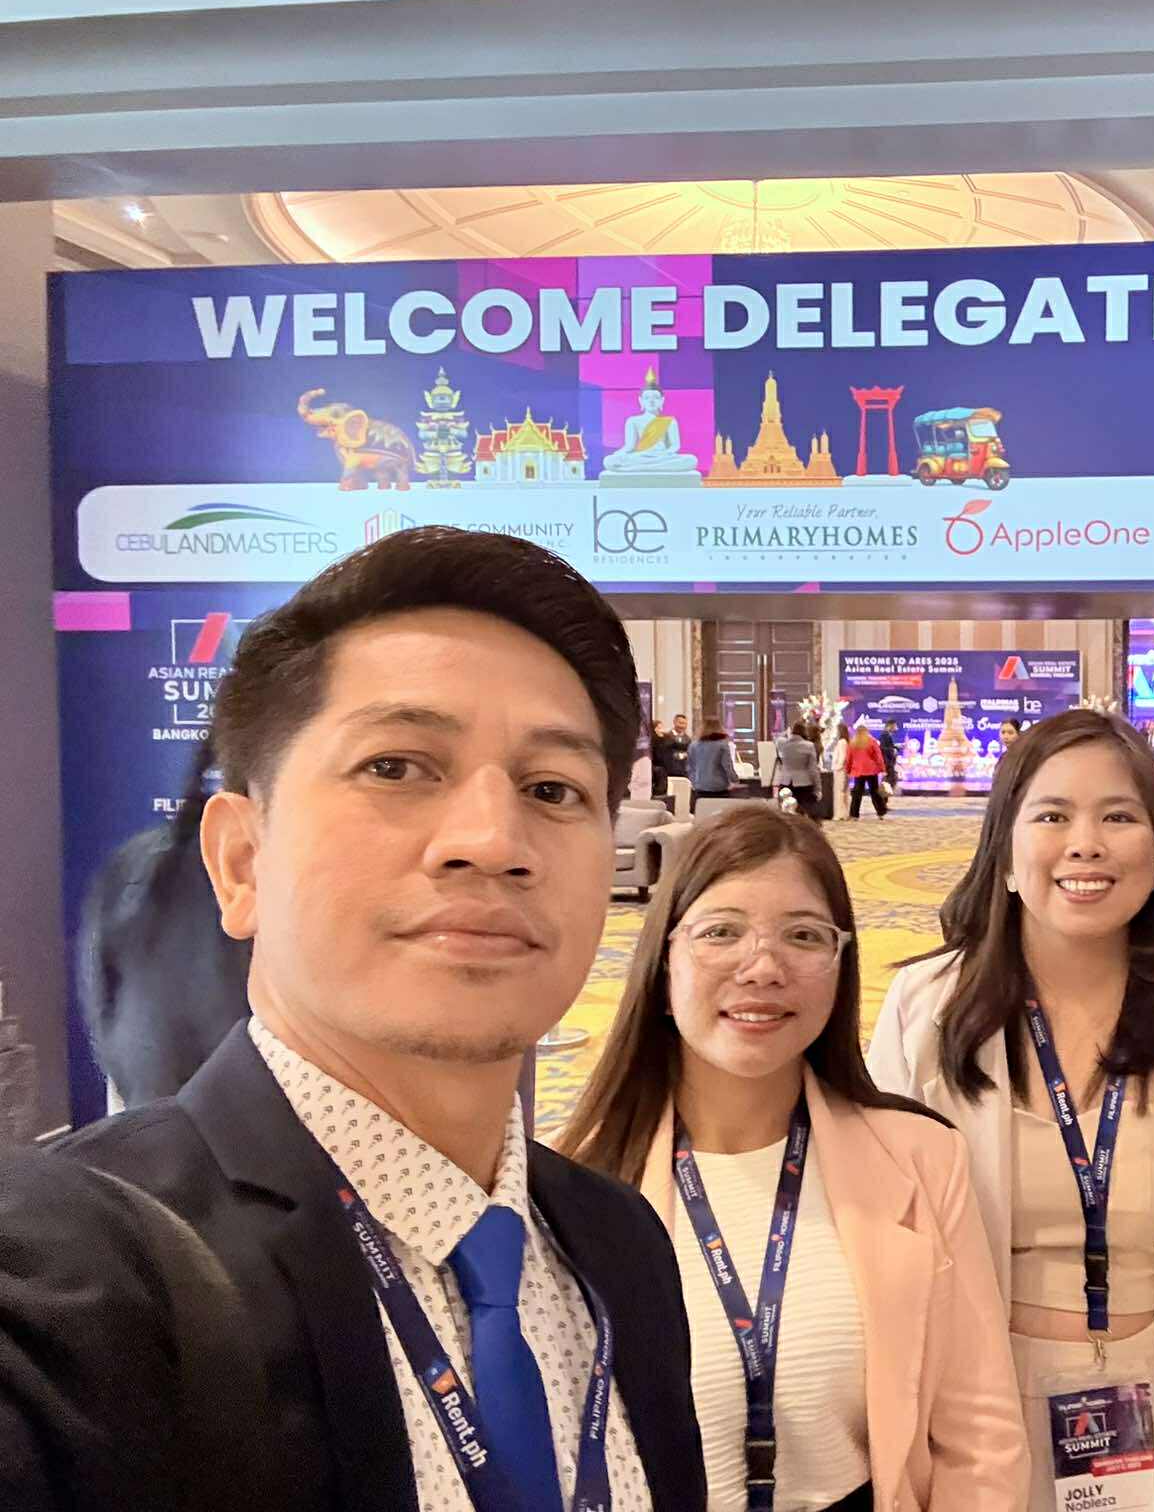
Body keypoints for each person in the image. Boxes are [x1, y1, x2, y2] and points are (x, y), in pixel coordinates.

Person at [1, 527, 708, 1511]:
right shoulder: (80, 1274)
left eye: (552, 789)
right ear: (241, 861)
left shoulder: (620, 1247)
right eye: (397, 767)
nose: (491, 840)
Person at [869, 708, 1154, 1511]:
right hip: (976, 1415)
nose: (1086, 844)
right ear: (1005, 851)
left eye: (1119, 817)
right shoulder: (927, 1011)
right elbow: (883, 1231)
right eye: (1053, 816)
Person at [557, 807, 1029, 1511]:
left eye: (803, 936)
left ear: (840, 968)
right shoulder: (573, 1187)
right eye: (721, 932)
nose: (764, 968)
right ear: (663, 961)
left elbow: (980, 1440)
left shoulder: (920, 1158)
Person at [75, 741, 252, 1104]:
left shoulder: (134, 863)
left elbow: (100, 999)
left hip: (148, 1103)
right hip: (232, 1108)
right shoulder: (271, 875)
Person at [773, 720, 823, 820]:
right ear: (804, 732)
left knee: (785, 812)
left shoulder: (782, 744)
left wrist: (787, 733)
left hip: (785, 781)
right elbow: (813, 769)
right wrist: (818, 788)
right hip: (804, 783)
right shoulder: (809, 746)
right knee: (804, 812)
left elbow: (777, 738)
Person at [687, 719, 741, 801]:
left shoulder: (693, 745)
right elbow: (727, 766)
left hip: (699, 786)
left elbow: (690, 767)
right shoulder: (722, 745)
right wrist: (735, 780)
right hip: (719, 786)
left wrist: (694, 782)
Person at [845, 724, 888, 819]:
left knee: (857, 793)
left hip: (858, 771)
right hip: (871, 770)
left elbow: (849, 758)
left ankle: (854, 814)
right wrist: (882, 769)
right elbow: (878, 756)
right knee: (874, 792)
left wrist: (848, 770)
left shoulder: (852, 743)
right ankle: (881, 812)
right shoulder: (872, 741)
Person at [827, 722, 851, 820]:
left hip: (840, 770)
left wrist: (837, 767)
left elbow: (843, 757)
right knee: (843, 792)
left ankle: (840, 814)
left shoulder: (842, 742)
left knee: (839, 792)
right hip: (842, 769)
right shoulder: (844, 741)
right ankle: (844, 813)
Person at [879, 719, 901, 789]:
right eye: (895, 726)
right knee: (890, 778)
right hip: (887, 761)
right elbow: (882, 748)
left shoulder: (887, 735)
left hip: (889, 761)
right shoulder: (884, 735)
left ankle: (887, 791)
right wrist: (893, 749)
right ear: (890, 726)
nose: (896, 728)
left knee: (891, 777)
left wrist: (896, 747)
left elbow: (888, 746)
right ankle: (886, 791)